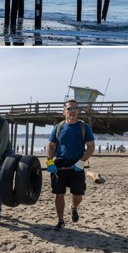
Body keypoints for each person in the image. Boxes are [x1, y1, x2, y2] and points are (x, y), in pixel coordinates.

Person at [46, 99, 95, 231]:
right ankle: (60, 221)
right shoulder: (58, 127)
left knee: (78, 195)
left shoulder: (84, 127)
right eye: (69, 108)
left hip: (77, 165)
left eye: (75, 108)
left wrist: (81, 162)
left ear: (78, 111)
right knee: (59, 194)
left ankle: (74, 207)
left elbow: (91, 147)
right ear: (64, 112)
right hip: (60, 165)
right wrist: (50, 162)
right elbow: (50, 146)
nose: (72, 111)